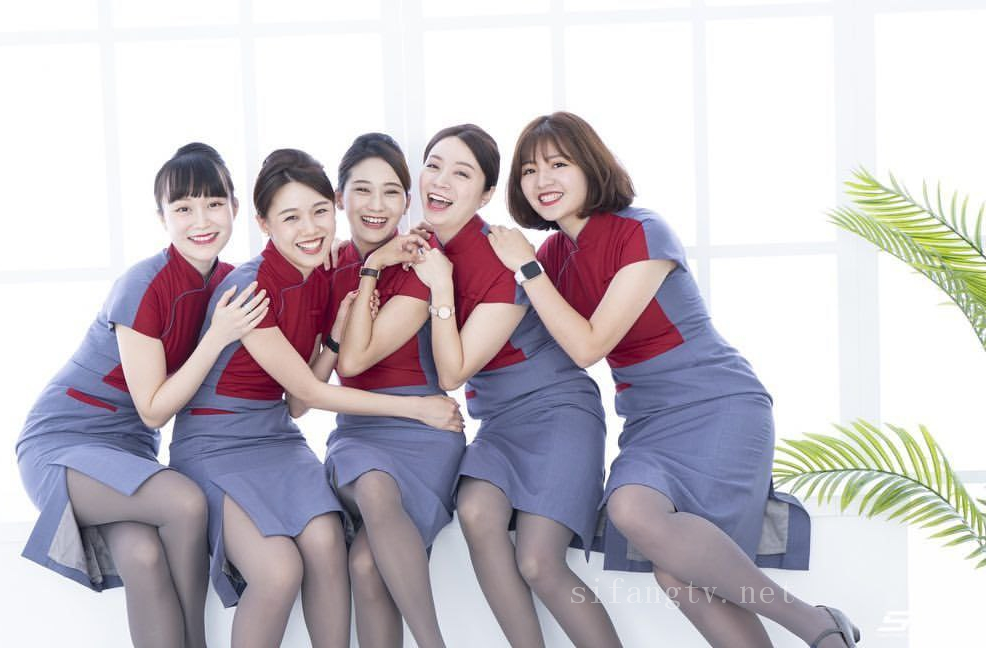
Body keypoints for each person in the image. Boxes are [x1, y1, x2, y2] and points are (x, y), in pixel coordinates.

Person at [487, 110, 860, 648]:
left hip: (717, 404)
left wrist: (527, 270)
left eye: (558, 164)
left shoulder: (642, 230)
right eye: (528, 170)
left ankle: (814, 624)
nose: (542, 179)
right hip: (647, 421)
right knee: (645, 529)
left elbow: (589, 345)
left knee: (680, 576)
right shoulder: (551, 258)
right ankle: (820, 625)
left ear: (590, 166)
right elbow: (507, 315)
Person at [168, 148, 465, 648]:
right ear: (263, 224)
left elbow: (297, 406)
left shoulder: (320, 277)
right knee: (280, 570)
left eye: (319, 212)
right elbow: (308, 392)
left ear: (334, 208)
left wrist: (332, 337)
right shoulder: (250, 288)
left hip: (276, 438)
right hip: (216, 445)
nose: (310, 229)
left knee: (328, 542)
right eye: (290, 218)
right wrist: (416, 407)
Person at [16, 142, 269, 648]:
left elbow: (292, 286)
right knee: (185, 501)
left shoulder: (231, 283)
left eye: (214, 204)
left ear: (235, 209)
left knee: (143, 556)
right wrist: (217, 336)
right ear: (162, 217)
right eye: (183, 208)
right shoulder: (142, 284)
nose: (202, 220)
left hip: (129, 453)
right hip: (64, 445)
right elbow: (153, 410)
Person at [409, 124, 622, 647]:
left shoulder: (498, 257)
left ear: (485, 194)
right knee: (475, 510)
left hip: (558, 411)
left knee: (538, 561)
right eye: (433, 165)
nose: (441, 181)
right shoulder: (420, 248)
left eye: (461, 174)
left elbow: (453, 373)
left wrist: (440, 288)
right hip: (499, 422)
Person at [321, 133, 465, 648]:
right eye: (362, 190)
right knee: (375, 486)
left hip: (427, 431)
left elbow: (356, 358)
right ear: (339, 198)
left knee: (366, 566)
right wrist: (370, 268)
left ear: (407, 201)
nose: (376, 206)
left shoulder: (421, 260)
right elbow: (333, 368)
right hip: (359, 432)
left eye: (391, 192)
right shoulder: (326, 265)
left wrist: (376, 265)